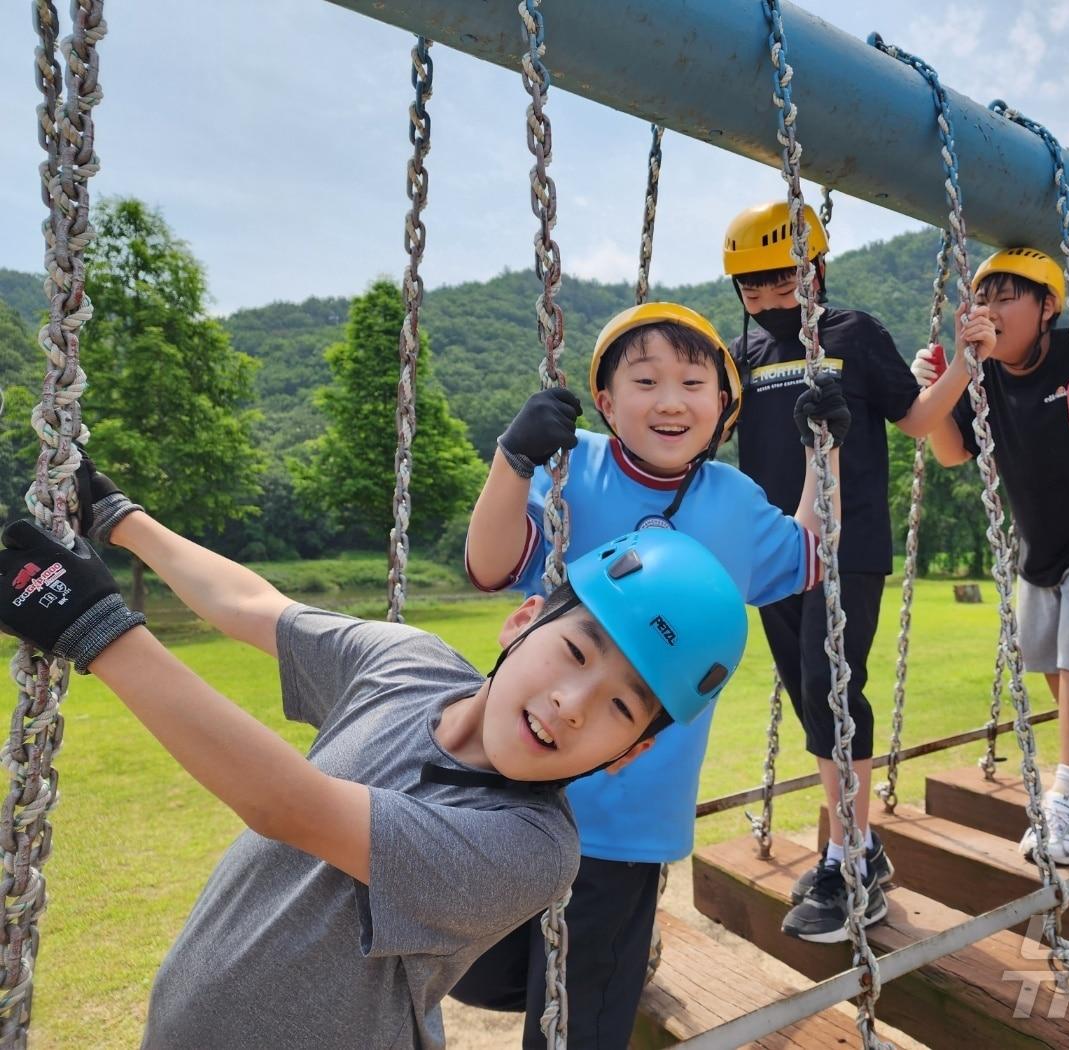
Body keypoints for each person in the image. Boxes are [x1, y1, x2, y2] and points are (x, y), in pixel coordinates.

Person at [0, 460, 748, 1050]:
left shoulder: (532, 849)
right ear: (523, 622)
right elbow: (255, 608)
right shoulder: (408, 664)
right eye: (576, 649)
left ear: (630, 752)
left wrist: (101, 631)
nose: (573, 703)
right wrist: (120, 519)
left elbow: (290, 806)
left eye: (620, 706)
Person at [457, 300, 850, 1045]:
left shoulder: (733, 502)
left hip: (629, 811)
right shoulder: (575, 468)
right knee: (475, 965)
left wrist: (824, 452)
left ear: (724, 410)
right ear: (605, 402)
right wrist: (513, 461)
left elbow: (809, 556)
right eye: (644, 380)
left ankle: (616, 968)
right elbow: (491, 562)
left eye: (695, 383)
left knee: (578, 1019)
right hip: (517, 777)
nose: (671, 401)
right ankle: (622, 963)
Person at [722, 200, 960, 931]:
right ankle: (858, 846)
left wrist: (970, 366)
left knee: (832, 690)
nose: (763, 298)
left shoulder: (853, 334)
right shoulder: (743, 354)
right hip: (773, 553)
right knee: (809, 701)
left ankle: (850, 861)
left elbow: (918, 419)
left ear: (813, 269)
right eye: (748, 285)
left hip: (846, 545)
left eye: (776, 281)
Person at [912, 247, 1069, 866]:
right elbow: (951, 453)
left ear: (1046, 306)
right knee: (1048, 657)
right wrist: (941, 388)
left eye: (1007, 298)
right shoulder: (983, 376)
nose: (990, 311)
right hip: (1044, 537)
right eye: (982, 299)